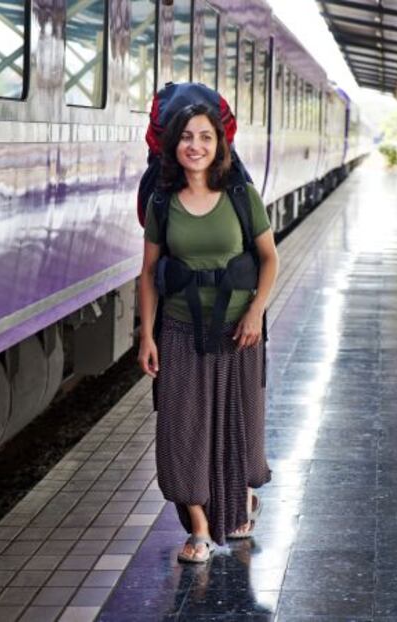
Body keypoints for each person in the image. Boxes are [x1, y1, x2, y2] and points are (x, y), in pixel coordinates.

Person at [138, 103, 279, 563]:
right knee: (182, 429)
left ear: (219, 145)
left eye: (204, 137)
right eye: (185, 138)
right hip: (180, 328)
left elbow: (269, 258)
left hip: (239, 332)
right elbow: (148, 273)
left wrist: (256, 311)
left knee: (238, 424)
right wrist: (147, 336)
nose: (194, 146)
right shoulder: (162, 202)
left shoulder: (241, 195)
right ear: (172, 145)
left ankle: (240, 501)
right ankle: (198, 527)